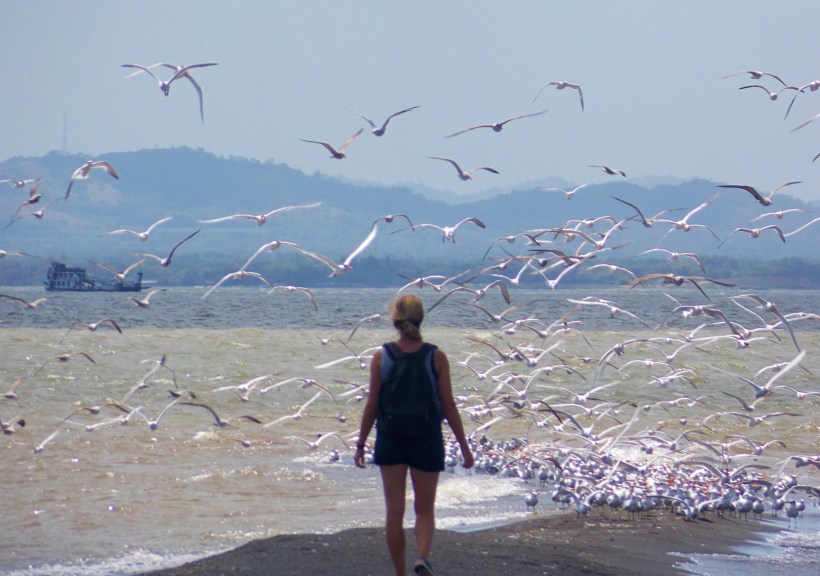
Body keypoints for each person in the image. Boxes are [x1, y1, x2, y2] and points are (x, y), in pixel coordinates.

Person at [355, 294, 474, 576]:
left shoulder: (381, 356)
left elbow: (371, 406)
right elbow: (449, 405)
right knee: (425, 509)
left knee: (394, 512)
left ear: (395, 320)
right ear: (421, 319)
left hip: (391, 438)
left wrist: (360, 443)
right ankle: (422, 557)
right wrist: (464, 447)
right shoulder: (436, 356)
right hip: (426, 438)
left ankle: (400, 573)